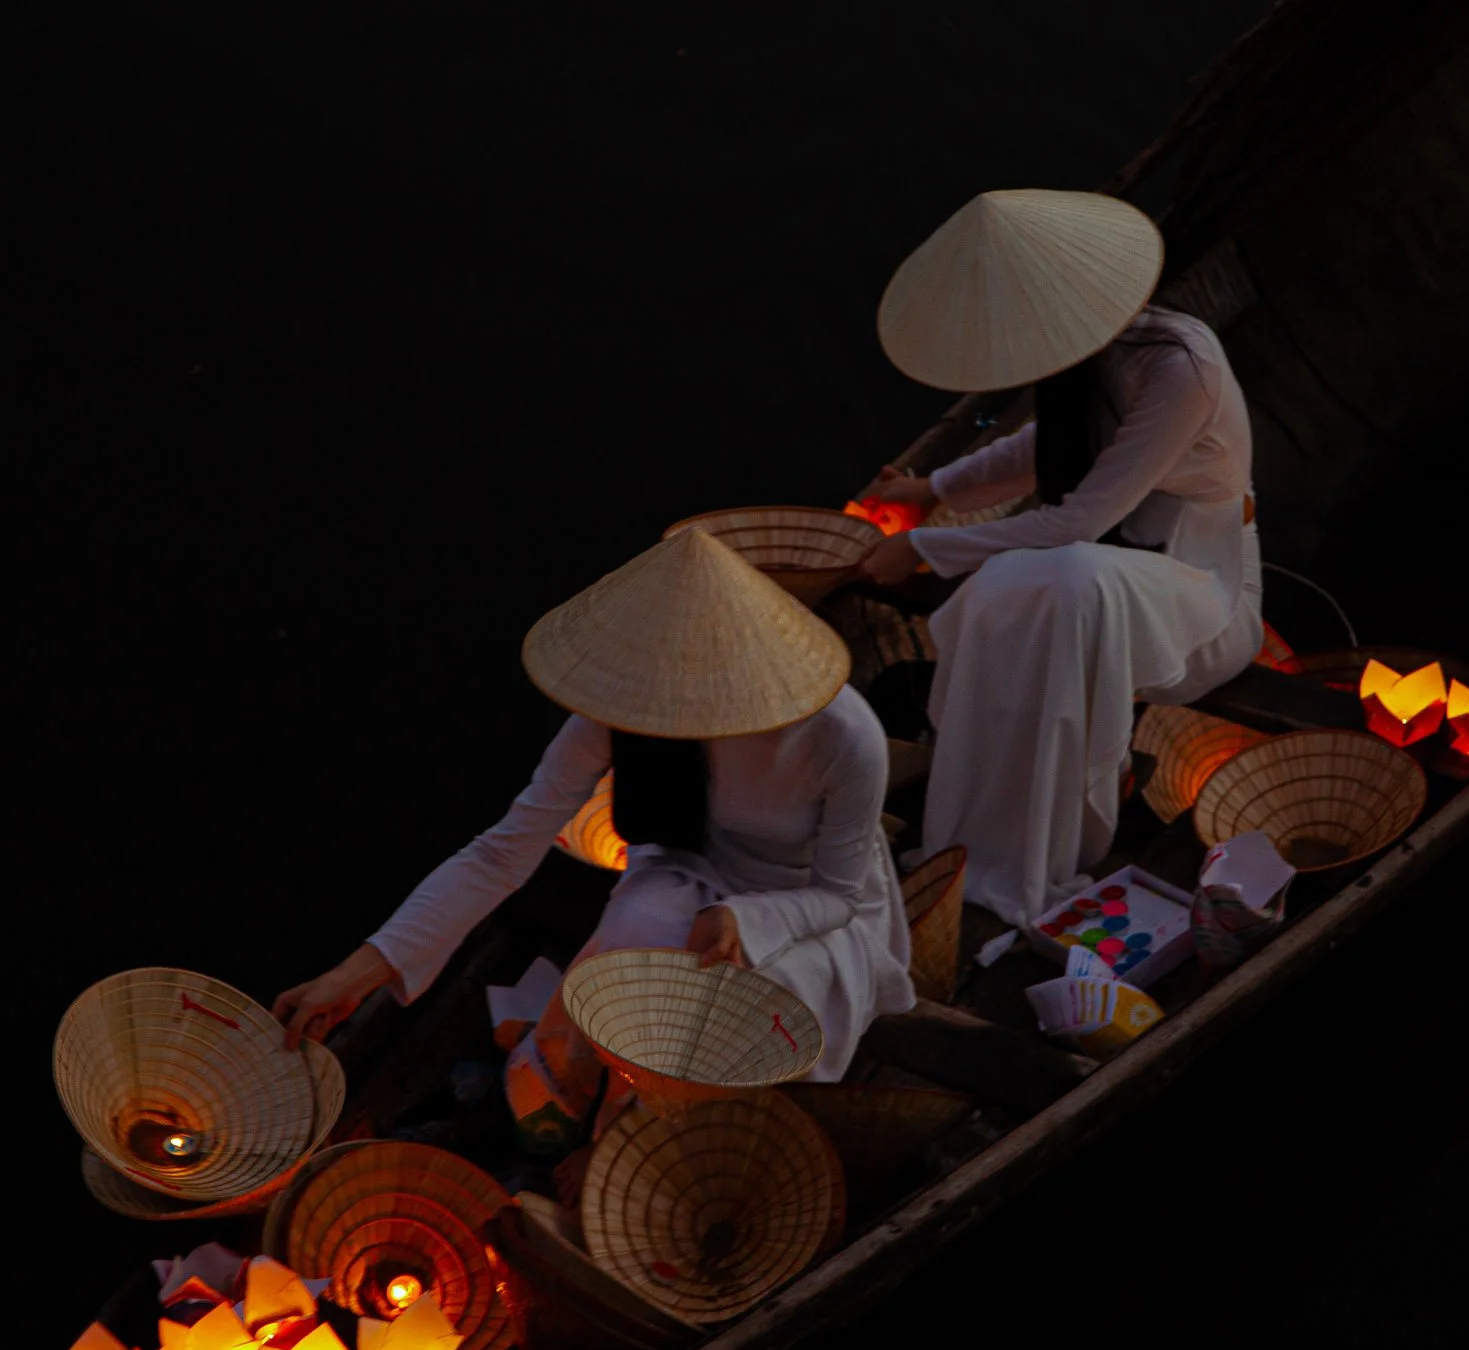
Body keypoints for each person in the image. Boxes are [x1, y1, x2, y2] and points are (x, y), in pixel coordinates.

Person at [273, 529, 915, 1152]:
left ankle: (658, 1140)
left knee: (733, 1015)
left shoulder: (840, 735)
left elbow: (841, 894)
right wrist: (358, 972)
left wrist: (745, 919)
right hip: (692, 861)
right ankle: (588, 1103)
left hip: (803, 901)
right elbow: (505, 851)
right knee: (633, 938)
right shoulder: (631, 704)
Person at [858, 189, 1262, 927]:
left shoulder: (1179, 367)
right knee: (1019, 585)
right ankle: (982, 822)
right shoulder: (1090, 362)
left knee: (1056, 580)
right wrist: (932, 488)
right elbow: (1042, 444)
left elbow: (1079, 516)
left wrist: (921, 548)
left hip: (1196, 586)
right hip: (1112, 553)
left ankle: (1046, 829)